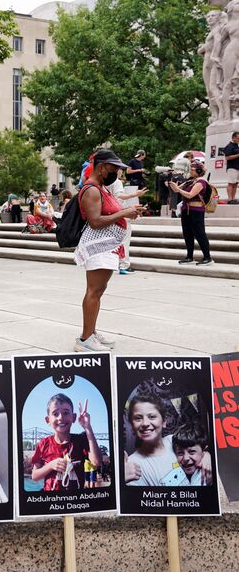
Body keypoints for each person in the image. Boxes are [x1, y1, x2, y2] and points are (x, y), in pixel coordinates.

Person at [75, 149, 143, 352]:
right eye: (114, 169)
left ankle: (91, 332)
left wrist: (128, 213)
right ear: (102, 167)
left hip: (106, 246)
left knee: (98, 291)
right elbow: (95, 221)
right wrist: (125, 212)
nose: (117, 173)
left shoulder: (101, 188)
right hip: (98, 246)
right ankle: (85, 339)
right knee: (94, 291)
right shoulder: (92, 189)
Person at [123, 385, 210, 486]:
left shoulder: (173, 440)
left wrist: (207, 456)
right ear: (132, 425)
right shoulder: (133, 465)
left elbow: (197, 450)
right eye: (138, 418)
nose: (145, 423)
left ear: (164, 421)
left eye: (152, 417)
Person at [28, 394, 100, 491]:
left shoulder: (81, 440)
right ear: (47, 420)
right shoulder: (43, 443)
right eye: (55, 414)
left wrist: (87, 427)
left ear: (74, 417)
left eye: (66, 413)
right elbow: (34, 476)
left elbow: (97, 462)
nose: (61, 417)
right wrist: (51, 465)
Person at [170, 160, 214, 265]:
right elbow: (176, 190)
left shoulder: (201, 182)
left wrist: (178, 190)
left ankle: (207, 257)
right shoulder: (190, 181)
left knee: (199, 233)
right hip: (186, 210)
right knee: (187, 234)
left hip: (196, 211)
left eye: (192, 169)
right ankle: (189, 256)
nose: (190, 170)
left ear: (198, 170)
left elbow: (189, 195)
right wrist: (170, 181)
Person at [107, 178, 149, 275]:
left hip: (108, 214)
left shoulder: (102, 181)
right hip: (120, 213)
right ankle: (123, 265)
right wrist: (134, 194)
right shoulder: (116, 181)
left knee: (113, 241)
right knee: (124, 241)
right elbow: (119, 195)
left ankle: (113, 264)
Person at [223, 131, 239, 204]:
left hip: (237, 167)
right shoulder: (229, 146)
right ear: (233, 138)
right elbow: (227, 157)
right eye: (238, 138)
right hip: (232, 167)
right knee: (231, 183)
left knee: (235, 183)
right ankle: (229, 199)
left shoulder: (236, 146)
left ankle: (233, 198)